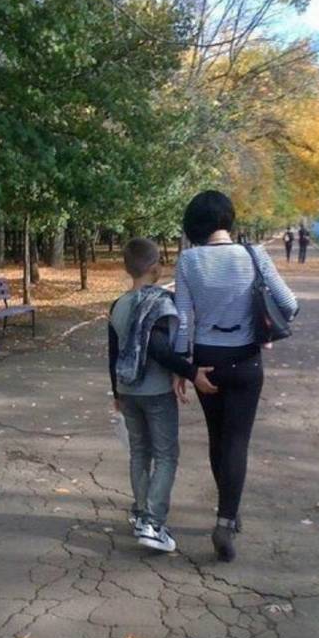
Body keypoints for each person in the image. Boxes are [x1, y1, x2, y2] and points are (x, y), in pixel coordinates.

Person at [174, 191, 298, 562]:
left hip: (206, 361)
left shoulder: (188, 260)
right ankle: (226, 520)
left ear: (195, 223)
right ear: (228, 219)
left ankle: (229, 507)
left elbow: (183, 319)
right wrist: (263, 328)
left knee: (218, 437)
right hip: (245, 360)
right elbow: (289, 304)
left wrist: (184, 368)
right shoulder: (254, 255)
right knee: (237, 440)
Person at [108, 237, 217, 553]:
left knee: (139, 452)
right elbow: (158, 349)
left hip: (127, 389)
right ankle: (153, 523)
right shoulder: (159, 303)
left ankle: (141, 512)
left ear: (127, 268)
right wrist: (191, 372)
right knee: (166, 455)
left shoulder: (118, 305)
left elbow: (113, 352)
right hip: (155, 390)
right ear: (156, 268)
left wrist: (116, 391)